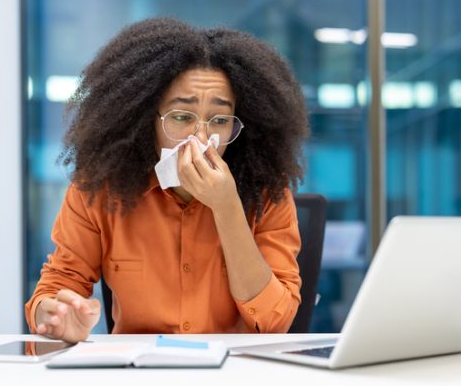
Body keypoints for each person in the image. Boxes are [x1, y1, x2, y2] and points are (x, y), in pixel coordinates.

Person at [25, 18, 309, 343]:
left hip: (237, 375)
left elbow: (275, 322)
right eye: (181, 117)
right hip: (139, 375)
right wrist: (55, 316)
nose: (200, 137)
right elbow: (57, 286)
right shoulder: (100, 189)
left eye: (219, 120)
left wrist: (227, 208)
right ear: (146, 120)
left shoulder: (266, 193)